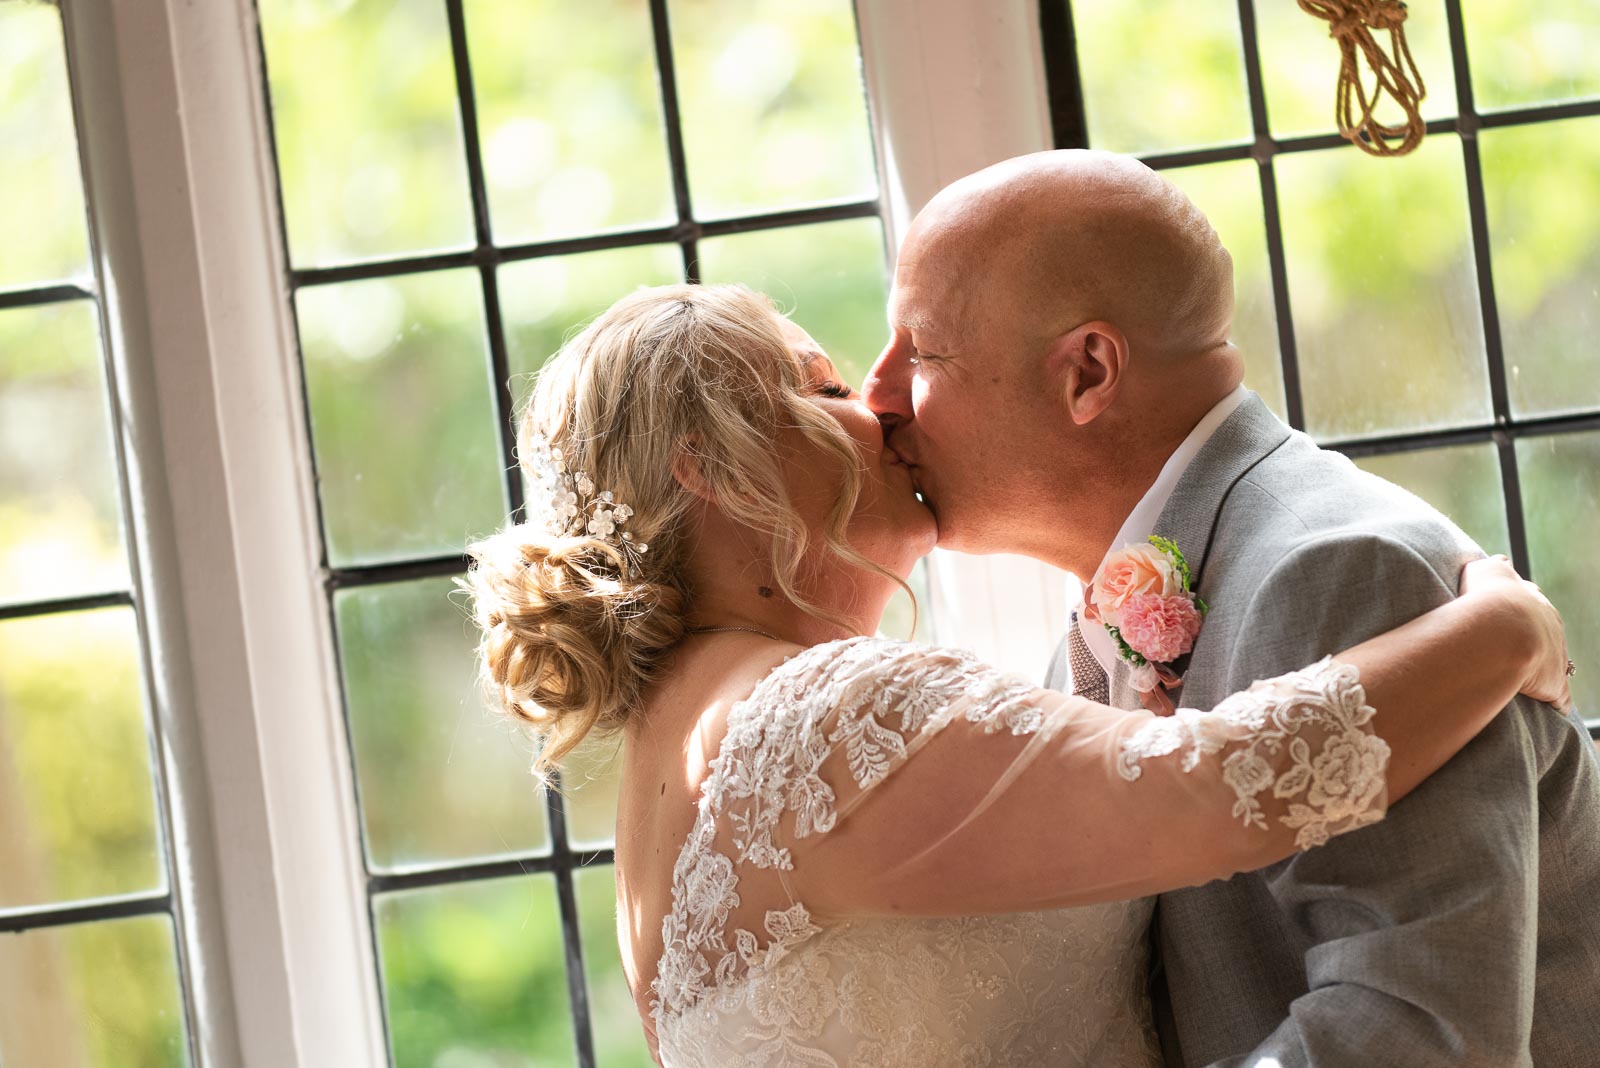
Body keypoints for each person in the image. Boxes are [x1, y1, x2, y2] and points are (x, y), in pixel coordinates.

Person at [464, 283, 1573, 1066]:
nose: (883, 410)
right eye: (828, 387)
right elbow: (1220, 782)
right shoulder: (811, 713)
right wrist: (1506, 626)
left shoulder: (678, 759)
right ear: (704, 465)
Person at [862, 149, 1600, 1065]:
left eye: (920, 352)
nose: (876, 395)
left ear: (1088, 371)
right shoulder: (1105, 621)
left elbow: (1421, 1033)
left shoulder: (1337, 572)